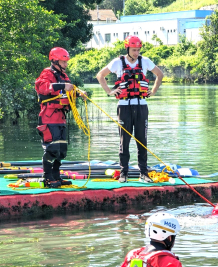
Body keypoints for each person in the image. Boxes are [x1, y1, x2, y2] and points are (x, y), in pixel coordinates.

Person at [96, 35, 164, 183]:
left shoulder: (144, 61)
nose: (136, 52)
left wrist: (153, 91)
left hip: (141, 106)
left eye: (138, 50)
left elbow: (160, 74)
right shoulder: (117, 62)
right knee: (124, 141)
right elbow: (100, 75)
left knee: (142, 140)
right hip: (124, 107)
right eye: (134, 50)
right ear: (127, 48)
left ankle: (143, 173)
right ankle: (123, 173)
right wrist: (109, 91)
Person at [35, 47, 86, 188]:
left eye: (66, 62)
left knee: (62, 150)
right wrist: (63, 85)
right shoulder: (47, 73)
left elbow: (67, 92)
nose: (66, 64)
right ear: (55, 60)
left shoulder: (64, 76)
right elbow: (43, 87)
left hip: (61, 117)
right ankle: (47, 177)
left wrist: (79, 93)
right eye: (64, 62)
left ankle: (56, 176)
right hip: (49, 117)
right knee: (52, 148)